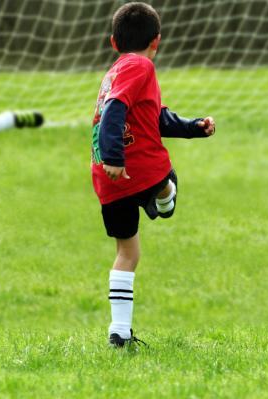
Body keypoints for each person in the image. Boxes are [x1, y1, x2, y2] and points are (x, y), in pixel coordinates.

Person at [90, 2, 216, 348]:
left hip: (106, 177)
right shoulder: (141, 65)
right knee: (165, 178)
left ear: (113, 42)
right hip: (139, 168)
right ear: (156, 40)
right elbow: (115, 109)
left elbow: (154, 117)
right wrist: (117, 155)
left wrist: (192, 127)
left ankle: (119, 332)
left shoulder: (115, 70)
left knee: (128, 254)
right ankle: (163, 196)